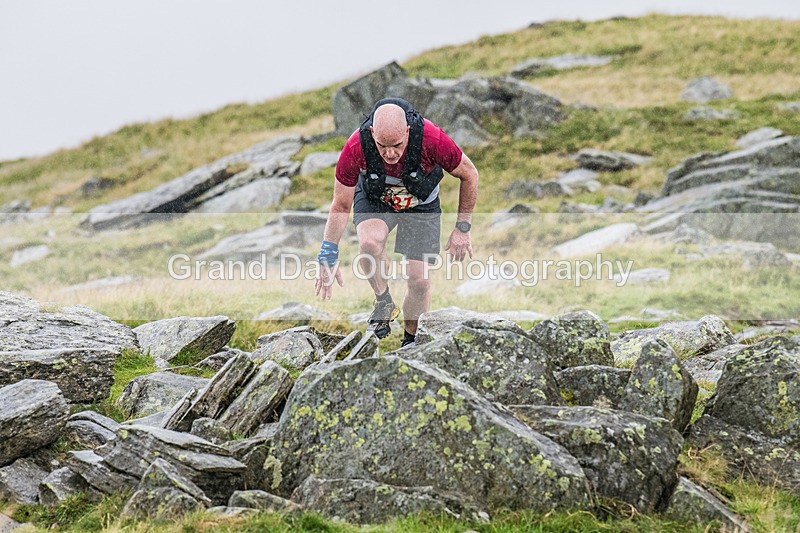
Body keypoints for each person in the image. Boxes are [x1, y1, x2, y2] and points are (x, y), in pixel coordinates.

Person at [314, 97, 479, 347]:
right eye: (382, 146)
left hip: (421, 205)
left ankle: (410, 342)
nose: (390, 153)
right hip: (376, 198)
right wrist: (328, 251)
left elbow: (469, 174)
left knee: (419, 281)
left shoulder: (432, 139)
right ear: (372, 133)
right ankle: (383, 302)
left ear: (407, 131)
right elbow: (340, 205)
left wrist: (462, 228)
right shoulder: (356, 146)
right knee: (369, 243)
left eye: (397, 145)